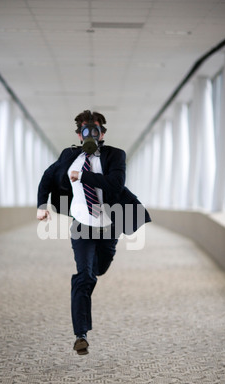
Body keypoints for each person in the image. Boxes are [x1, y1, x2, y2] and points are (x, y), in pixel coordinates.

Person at [37, 110, 150, 356]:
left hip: (109, 225)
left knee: (100, 268)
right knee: (85, 276)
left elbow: (115, 184)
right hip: (81, 226)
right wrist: (42, 205)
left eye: (95, 129)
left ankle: (90, 274)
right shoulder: (69, 156)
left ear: (103, 133)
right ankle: (81, 335)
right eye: (85, 130)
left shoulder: (115, 155)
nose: (91, 133)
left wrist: (84, 176)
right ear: (79, 134)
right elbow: (47, 178)